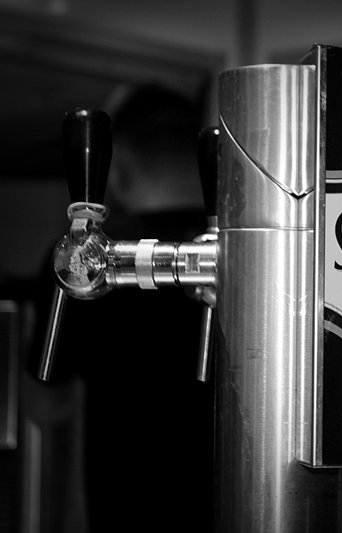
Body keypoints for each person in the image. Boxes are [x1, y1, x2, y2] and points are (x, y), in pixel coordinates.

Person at [29, 82, 214, 532]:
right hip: (244, 503)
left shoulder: (80, 261)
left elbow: (45, 408)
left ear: (115, 168)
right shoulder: (250, 251)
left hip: (124, 506)